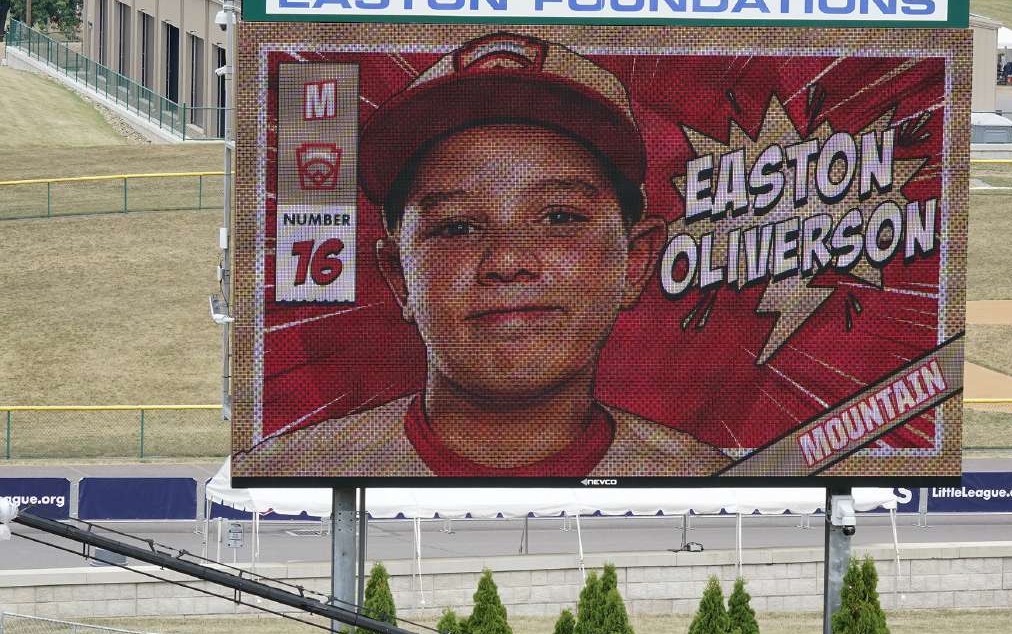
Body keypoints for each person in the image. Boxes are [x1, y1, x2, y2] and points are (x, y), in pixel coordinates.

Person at [239, 32, 732, 478]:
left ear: (635, 260)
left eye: (559, 218)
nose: (507, 261)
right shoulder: (290, 469)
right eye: (458, 227)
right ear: (399, 276)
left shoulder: (712, 477)